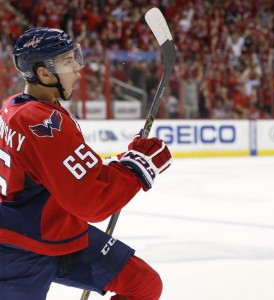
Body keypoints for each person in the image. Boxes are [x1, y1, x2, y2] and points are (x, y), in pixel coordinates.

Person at [0, 27, 173, 300]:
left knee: (142, 284)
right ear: (44, 73)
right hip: (20, 250)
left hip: (59, 233)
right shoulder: (41, 122)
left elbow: (69, 172)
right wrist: (139, 167)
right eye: (67, 62)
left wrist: (125, 164)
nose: (78, 69)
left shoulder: (17, 106)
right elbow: (91, 201)